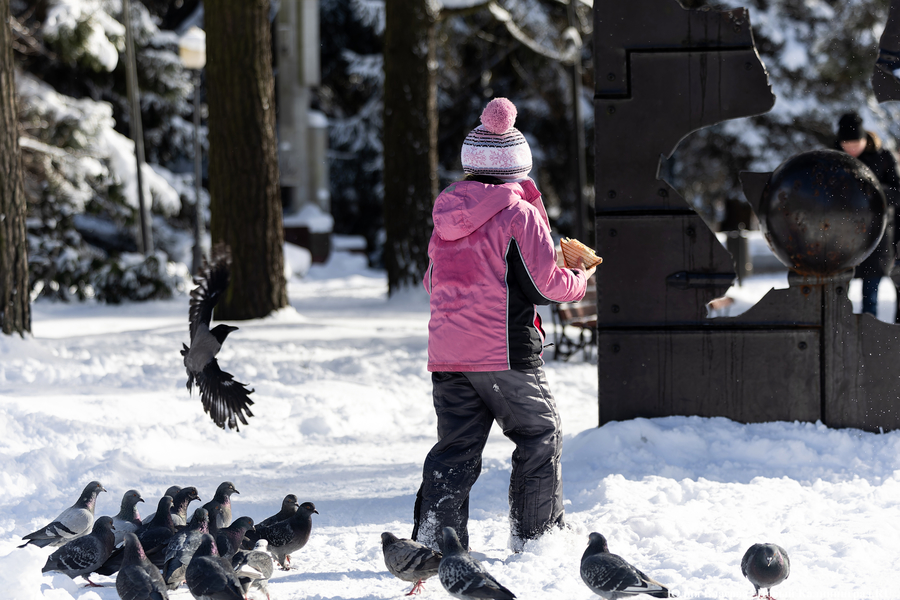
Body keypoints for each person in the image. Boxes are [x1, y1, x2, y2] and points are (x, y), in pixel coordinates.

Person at [411, 98, 596, 554]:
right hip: (505, 350)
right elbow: (546, 286)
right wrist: (580, 278)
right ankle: (537, 536)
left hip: (449, 352)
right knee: (539, 434)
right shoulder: (520, 213)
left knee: (455, 449)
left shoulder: (446, 213)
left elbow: (431, 280)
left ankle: (437, 543)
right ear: (520, 167)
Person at [835, 111, 900, 319]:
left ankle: (866, 342)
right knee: (837, 299)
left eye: (856, 143)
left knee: (870, 298)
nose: (851, 148)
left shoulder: (883, 158)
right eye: (846, 143)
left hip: (876, 238)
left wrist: (873, 190)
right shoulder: (833, 158)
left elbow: (898, 193)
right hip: (842, 239)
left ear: (865, 139)